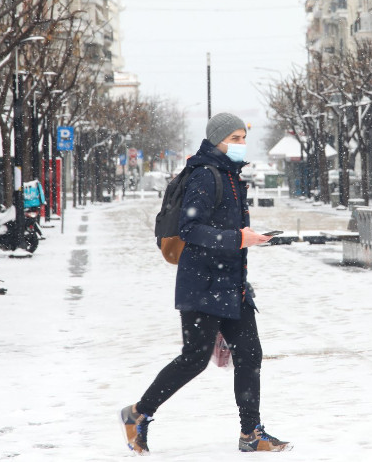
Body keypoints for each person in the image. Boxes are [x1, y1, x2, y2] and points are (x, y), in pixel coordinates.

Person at [120, 113, 291, 455]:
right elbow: (190, 230)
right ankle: (138, 413)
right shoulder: (205, 175)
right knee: (195, 359)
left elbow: (227, 232)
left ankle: (250, 433)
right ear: (218, 140)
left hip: (232, 282)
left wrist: (247, 239)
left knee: (249, 353)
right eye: (236, 138)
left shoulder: (230, 175)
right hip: (202, 283)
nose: (242, 144)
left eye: (244, 137)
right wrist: (239, 238)